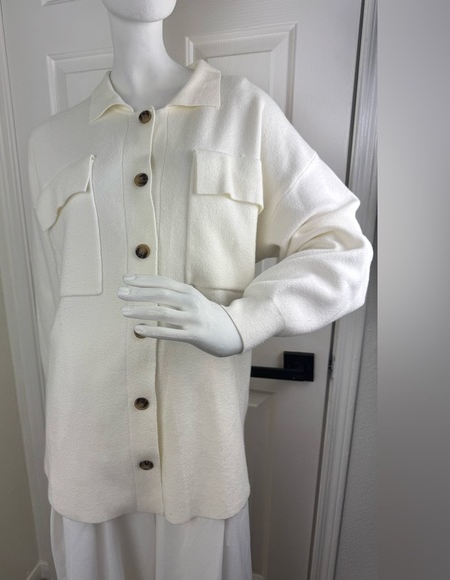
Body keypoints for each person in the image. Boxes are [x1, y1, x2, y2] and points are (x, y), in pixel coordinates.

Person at [27, 1, 373, 578]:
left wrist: (241, 322)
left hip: (200, 454)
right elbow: (50, 305)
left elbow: (342, 249)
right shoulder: (50, 142)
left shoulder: (244, 115)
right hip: (86, 452)